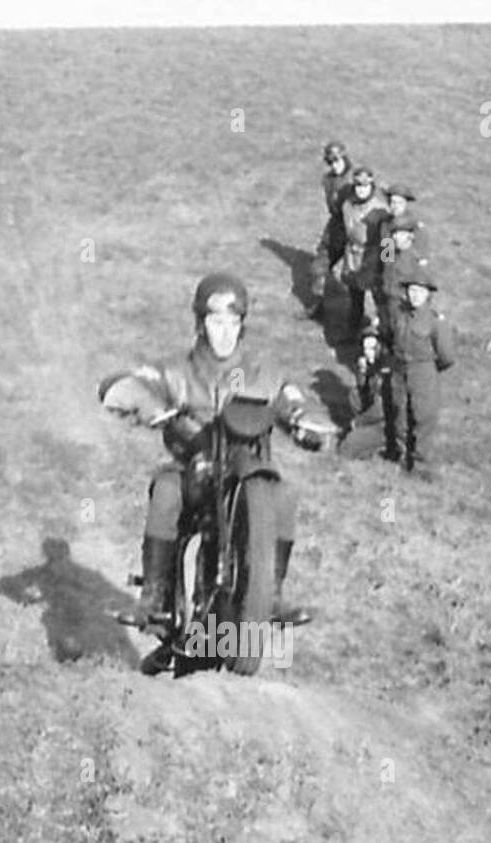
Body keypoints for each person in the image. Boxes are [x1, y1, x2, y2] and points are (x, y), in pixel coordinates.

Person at [113, 273, 318, 668]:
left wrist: (303, 420)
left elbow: (293, 397)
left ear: (243, 325)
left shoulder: (262, 371)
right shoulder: (176, 369)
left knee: (286, 494)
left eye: (232, 321)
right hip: (194, 468)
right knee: (166, 491)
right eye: (215, 320)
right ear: (199, 323)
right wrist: (147, 404)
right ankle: (155, 597)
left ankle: (270, 595)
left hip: (245, 474)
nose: (224, 332)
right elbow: (127, 384)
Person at [389, 266, 456, 477]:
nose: (415, 295)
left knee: (423, 417)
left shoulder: (435, 321)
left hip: (423, 371)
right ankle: (402, 456)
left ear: (428, 294)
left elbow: (447, 356)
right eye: (411, 290)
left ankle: (420, 465)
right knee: (400, 415)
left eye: (420, 291)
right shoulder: (400, 315)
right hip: (400, 370)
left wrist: (429, 370)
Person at [340, 166, 390, 336]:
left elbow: (387, 239)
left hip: (373, 258)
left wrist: (387, 264)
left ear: (371, 186)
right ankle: (352, 330)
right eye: (358, 186)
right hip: (353, 257)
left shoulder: (380, 209)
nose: (361, 190)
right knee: (354, 298)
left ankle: (385, 334)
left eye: (365, 186)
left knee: (380, 300)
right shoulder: (347, 205)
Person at [307, 140, 354, 320]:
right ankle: (319, 307)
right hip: (336, 228)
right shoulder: (327, 180)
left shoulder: (355, 180)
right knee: (319, 267)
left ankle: (358, 322)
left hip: (354, 231)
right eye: (331, 162)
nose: (334, 165)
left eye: (337, 160)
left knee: (357, 280)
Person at [338, 322, 394, 463]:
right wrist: (362, 373)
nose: (368, 352)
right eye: (365, 348)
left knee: (347, 447)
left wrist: (356, 423)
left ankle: (389, 445)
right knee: (355, 394)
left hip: (388, 424)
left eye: (372, 348)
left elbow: (381, 409)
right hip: (375, 419)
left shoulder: (388, 372)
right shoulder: (370, 367)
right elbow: (361, 396)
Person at [378, 212, 430, 345]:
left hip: (401, 304)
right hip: (385, 299)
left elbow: (424, 288)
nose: (396, 237)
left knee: (400, 337)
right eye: (394, 233)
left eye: (400, 234)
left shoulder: (415, 259)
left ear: (410, 236)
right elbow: (383, 268)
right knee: (385, 333)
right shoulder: (388, 247)